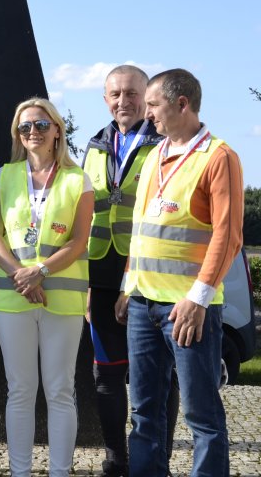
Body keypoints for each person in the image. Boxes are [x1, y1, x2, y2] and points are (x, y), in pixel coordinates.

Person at [117, 68, 243, 477]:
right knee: (144, 411)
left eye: (153, 105)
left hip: (187, 309)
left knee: (200, 412)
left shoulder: (219, 157)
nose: (147, 113)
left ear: (182, 104)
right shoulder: (155, 155)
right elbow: (141, 229)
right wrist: (128, 285)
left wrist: (198, 298)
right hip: (143, 304)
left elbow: (228, 235)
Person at [0, 97, 93, 477]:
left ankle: (60, 472)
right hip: (12, 297)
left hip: (61, 297)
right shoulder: (2, 176)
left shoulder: (78, 179)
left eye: (42, 125)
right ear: (18, 134)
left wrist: (41, 271)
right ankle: (20, 473)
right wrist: (22, 276)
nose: (34, 131)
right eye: (25, 126)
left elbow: (79, 240)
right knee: (20, 390)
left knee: (60, 389)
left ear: (57, 130)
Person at [82, 65, 178, 477]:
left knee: (157, 379)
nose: (124, 101)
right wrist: (86, 284)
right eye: (116, 94)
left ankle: (155, 461)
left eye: (133, 93)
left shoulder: (165, 144)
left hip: (147, 279)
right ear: (106, 99)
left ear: (147, 96)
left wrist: (131, 280)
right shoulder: (93, 145)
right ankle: (115, 458)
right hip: (101, 277)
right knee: (106, 374)